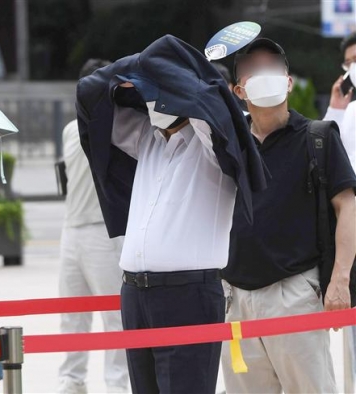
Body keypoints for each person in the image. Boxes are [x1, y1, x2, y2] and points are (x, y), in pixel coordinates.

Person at [77, 35, 266, 394]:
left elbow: (207, 102)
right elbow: (91, 93)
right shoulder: (148, 139)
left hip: (188, 294)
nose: (152, 101)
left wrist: (166, 73)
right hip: (135, 293)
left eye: (158, 91)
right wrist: (135, 71)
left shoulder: (214, 142)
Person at [221, 38, 356, 393]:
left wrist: (340, 280)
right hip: (236, 300)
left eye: (273, 66)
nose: (265, 74)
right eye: (253, 68)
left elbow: (349, 207)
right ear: (238, 90)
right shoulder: (229, 147)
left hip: (294, 294)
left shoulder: (319, 137)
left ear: (289, 81)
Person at [58, 59, 129, 394]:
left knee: (115, 316)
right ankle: (71, 381)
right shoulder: (71, 129)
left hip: (105, 231)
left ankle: (118, 385)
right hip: (71, 229)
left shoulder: (120, 125)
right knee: (72, 314)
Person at [324, 32, 356, 168]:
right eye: (348, 63)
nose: (353, 68)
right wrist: (336, 110)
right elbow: (322, 151)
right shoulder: (349, 112)